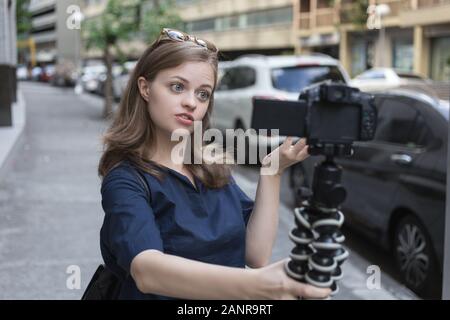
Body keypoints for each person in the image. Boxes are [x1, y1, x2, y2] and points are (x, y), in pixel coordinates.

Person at [98, 28, 331, 300]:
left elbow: (256, 254)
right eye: (177, 87)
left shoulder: (209, 166)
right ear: (145, 88)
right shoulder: (126, 179)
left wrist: (273, 170)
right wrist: (261, 285)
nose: (191, 103)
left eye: (203, 94)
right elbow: (147, 271)